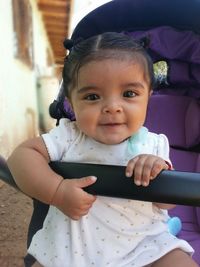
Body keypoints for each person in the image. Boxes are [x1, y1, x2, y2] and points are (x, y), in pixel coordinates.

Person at [7, 32, 197, 267]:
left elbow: (167, 203)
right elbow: (21, 157)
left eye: (129, 94)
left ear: (148, 97)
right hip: (71, 251)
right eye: (93, 96)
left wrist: (157, 172)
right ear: (71, 101)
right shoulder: (69, 136)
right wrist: (57, 191)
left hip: (144, 248)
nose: (112, 107)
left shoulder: (154, 145)